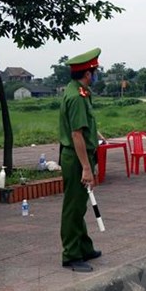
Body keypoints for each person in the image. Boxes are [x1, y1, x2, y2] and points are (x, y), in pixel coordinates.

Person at [58, 48, 106, 273]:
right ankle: (71, 254)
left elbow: (82, 126)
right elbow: (76, 134)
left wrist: (96, 135)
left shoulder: (78, 90)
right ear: (87, 73)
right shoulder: (77, 97)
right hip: (77, 158)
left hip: (79, 155)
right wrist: (86, 168)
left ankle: (84, 247)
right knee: (73, 207)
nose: (95, 75)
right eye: (94, 71)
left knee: (80, 205)